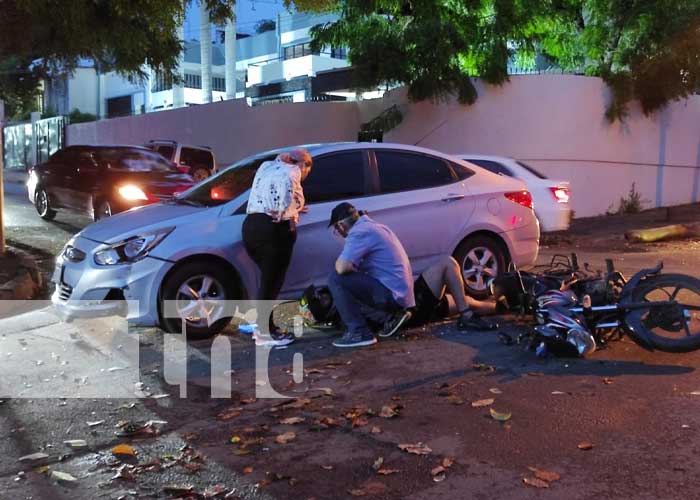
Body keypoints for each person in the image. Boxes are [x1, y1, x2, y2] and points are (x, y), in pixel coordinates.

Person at [242, 148, 312, 346]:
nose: (304, 175)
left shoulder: (267, 167)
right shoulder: (293, 171)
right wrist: (286, 211)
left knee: (267, 280)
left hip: (251, 226)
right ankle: (265, 333)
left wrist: (295, 206)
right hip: (273, 230)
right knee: (272, 282)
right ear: (302, 164)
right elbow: (288, 189)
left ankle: (262, 326)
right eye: (306, 169)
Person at [328, 203, 415, 348]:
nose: (338, 233)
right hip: (399, 293)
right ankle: (389, 318)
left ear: (341, 225)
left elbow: (342, 268)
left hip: (393, 295)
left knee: (336, 279)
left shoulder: (359, 232)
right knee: (350, 284)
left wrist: (342, 263)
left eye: (336, 230)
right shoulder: (372, 226)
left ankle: (359, 333)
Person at [406, 255, 498, 332]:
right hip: (410, 307)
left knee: (467, 302)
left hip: (414, 301)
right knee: (448, 263)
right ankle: (467, 316)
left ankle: (502, 306)